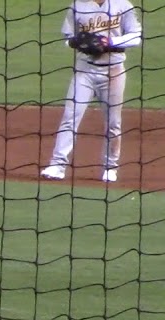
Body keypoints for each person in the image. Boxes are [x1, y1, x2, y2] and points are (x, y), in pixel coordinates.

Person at [40, 0, 142, 183]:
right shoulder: (77, 6)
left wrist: (110, 42)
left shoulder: (122, 5)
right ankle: (57, 165)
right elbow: (68, 38)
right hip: (84, 71)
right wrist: (76, 42)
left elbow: (136, 36)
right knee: (70, 117)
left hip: (113, 71)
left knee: (113, 122)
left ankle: (111, 167)